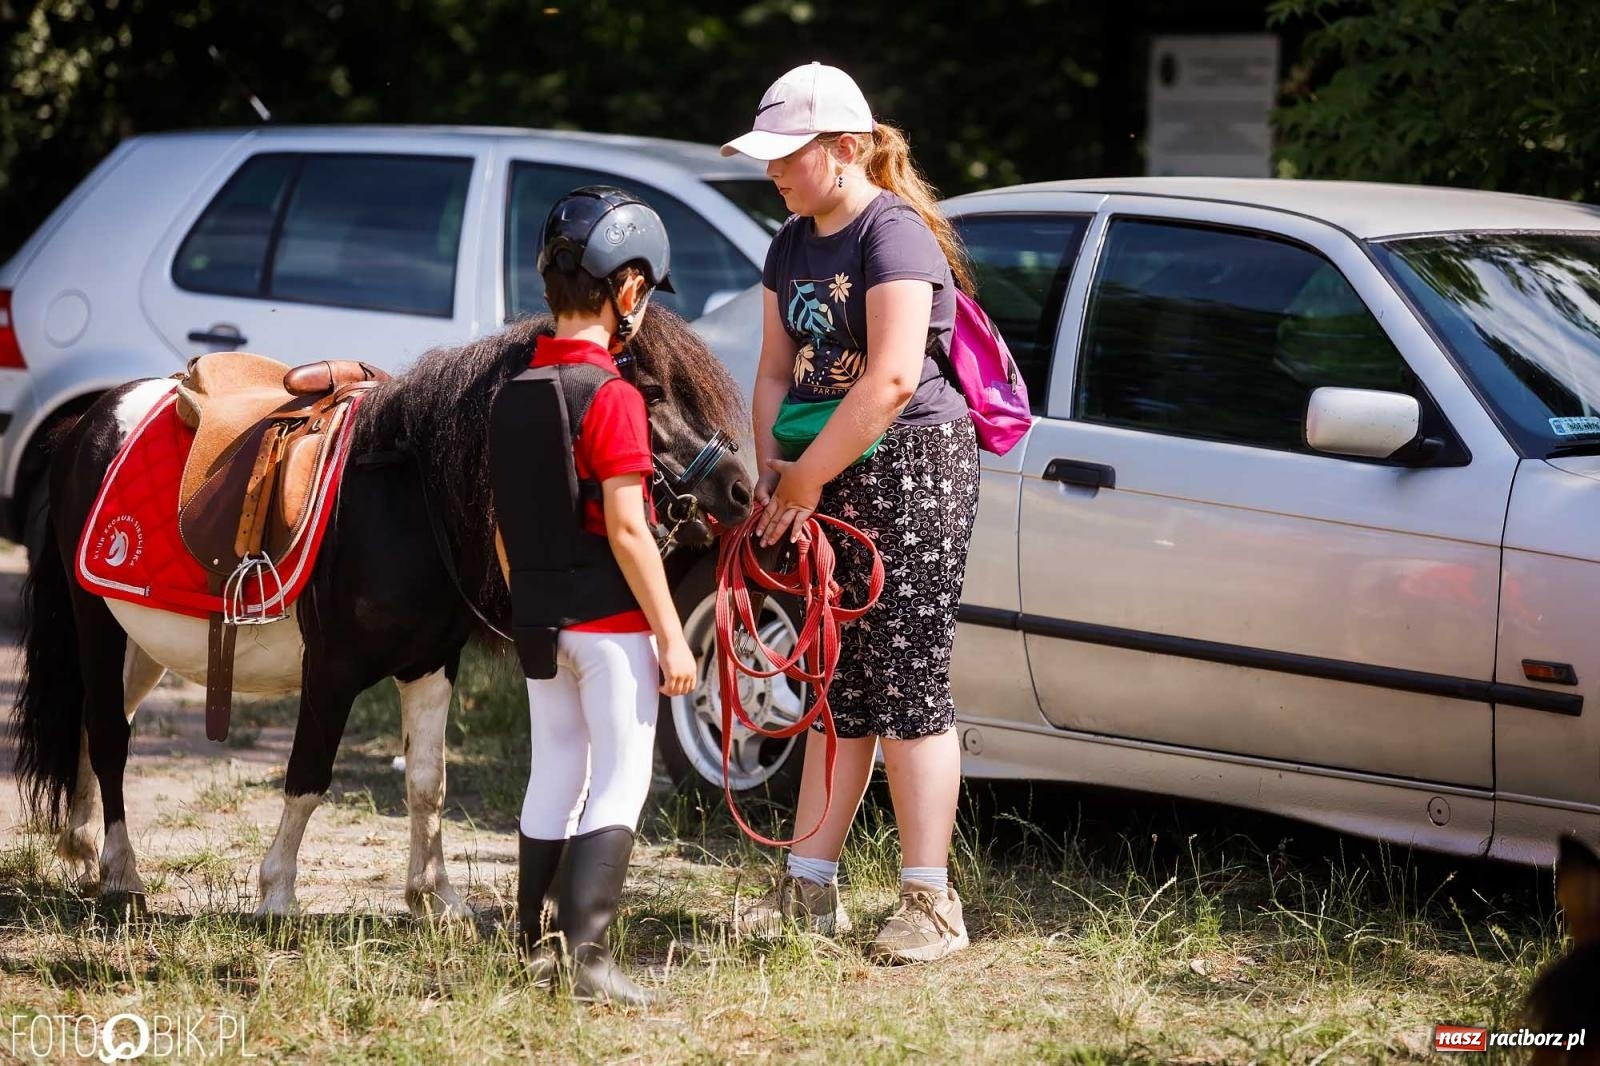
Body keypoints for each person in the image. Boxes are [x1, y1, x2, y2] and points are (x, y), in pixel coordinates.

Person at [721, 62, 981, 964]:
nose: (775, 172)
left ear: (846, 149)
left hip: (911, 469)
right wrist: (774, 469)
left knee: (908, 684)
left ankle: (931, 904)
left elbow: (895, 378)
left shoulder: (893, 233)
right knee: (839, 682)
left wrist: (804, 482)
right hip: (824, 472)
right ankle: (810, 886)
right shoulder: (791, 241)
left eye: (788, 156)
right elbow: (771, 368)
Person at [508, 186, 696, 1005]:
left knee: (555, 769)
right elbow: (627, 529)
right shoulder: (612, 397)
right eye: (644, 289)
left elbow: (504, 525)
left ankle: (534, 949)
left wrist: (528, 605)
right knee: (621, 776)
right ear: (625, 291)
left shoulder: (513, 392)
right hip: (611, 623)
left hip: (539, 622)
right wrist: (673, 635)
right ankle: (589, 963)